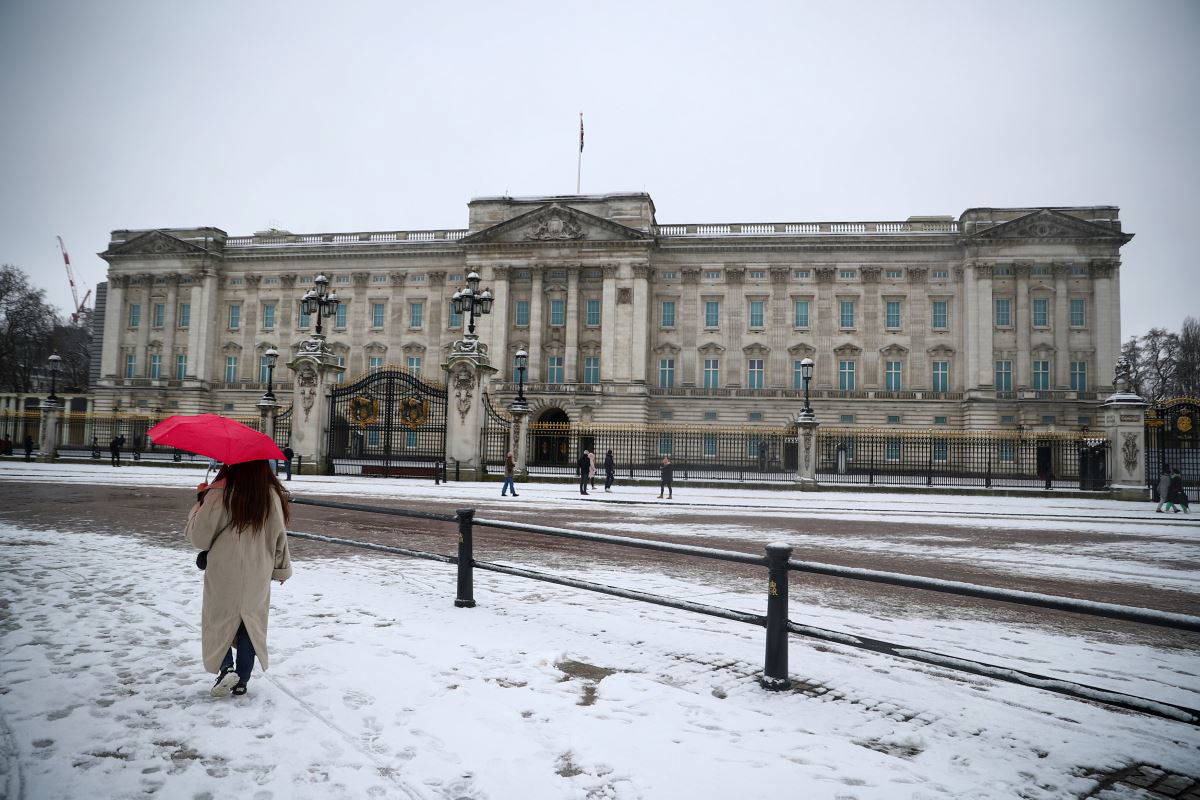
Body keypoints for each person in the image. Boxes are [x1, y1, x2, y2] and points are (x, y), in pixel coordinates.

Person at [186, 460, 293, 698]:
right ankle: (242, 680)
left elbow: (200, 538)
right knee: (251, 624)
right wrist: (281, 569)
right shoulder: (271, 495)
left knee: (219, 620)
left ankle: (226, 669)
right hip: (258, 569)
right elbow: (279, 537)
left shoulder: (219, 492)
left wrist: (200, 503)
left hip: (224, 568)